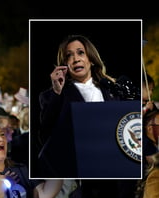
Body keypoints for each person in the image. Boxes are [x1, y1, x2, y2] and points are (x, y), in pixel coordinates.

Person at [36, 34, 126, 178]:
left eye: (80, 52)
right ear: (64, 65)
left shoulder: (113, 91)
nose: (76, 59)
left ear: (90, 59)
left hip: (111, 170)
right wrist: (57, 92)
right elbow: (45, 136)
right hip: (76, 174)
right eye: (69, 55)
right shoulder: (53, 96)